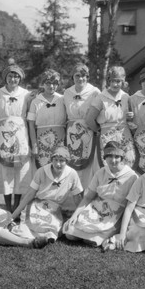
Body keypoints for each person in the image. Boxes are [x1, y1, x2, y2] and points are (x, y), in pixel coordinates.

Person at [63, 141, 138, 247]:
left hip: (116, 213)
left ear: (122, 158)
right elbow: (88, 197)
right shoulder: (101, 173)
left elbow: (131, 206)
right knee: (69, 234)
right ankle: (84, 231)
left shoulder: (132, 177)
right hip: (97, 209)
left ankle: (99, 236)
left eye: (117, 157)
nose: (113, 160)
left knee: (93, 241)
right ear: (105, 157)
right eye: (110, 156)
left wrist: (123, 232)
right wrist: (74, 215)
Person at [0, 62, 34, 213]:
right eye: (10, 76)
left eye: (16, 77)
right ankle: (7, 209)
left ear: (20, 79)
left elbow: (31, 117)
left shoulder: (26, 94)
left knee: (20, 171)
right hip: (4, 135)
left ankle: (17, 210)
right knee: (6, 171)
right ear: (5, 78)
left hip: (21, 135)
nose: (13, 79)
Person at [10, 146, 83, 242]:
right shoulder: (41, 171)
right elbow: (30, 194)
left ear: (67, 161)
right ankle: (17, 229)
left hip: (54, 208)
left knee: (51, 228)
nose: (58, 164)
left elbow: (77, 198)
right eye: (55, 160)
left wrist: (81, 217)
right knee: (34, 224)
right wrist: (12, 217)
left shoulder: (72, 174)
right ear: (51, 160)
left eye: (62, 161)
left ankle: (45, 236)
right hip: (37, 206)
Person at [85, 66, 137, 169]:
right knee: (109, 165)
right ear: (108, 81)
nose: (115, 84)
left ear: (123, 82)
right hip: (107, 136)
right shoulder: (101, 97)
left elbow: (131, 119)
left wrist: (130, 118)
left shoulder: (126, 97)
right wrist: (99, 130)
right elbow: (89, 119)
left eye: (118, 81)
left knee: (126, 165)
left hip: (124, 135)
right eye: (112, 81)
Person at [63, 63, 101, 197]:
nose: (80, 78)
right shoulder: (67, 92)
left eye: (83, 76)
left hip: (88, 131)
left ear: (88, 77)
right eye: (77, 75)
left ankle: (88, 198)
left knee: (89, 165)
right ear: (73, 77)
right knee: (73, 164)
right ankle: (74, 200)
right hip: (71, 133)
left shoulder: (95, 92)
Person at [28, 69, 67, 169]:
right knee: (44, 170)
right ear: (43, 84)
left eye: (55, 83)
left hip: (60, 141)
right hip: (42, 142)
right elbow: (31, 125)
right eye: (48, 83)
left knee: (59, 169)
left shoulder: (62, 99)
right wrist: (34, 145)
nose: (51, 86)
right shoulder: (36, 102)